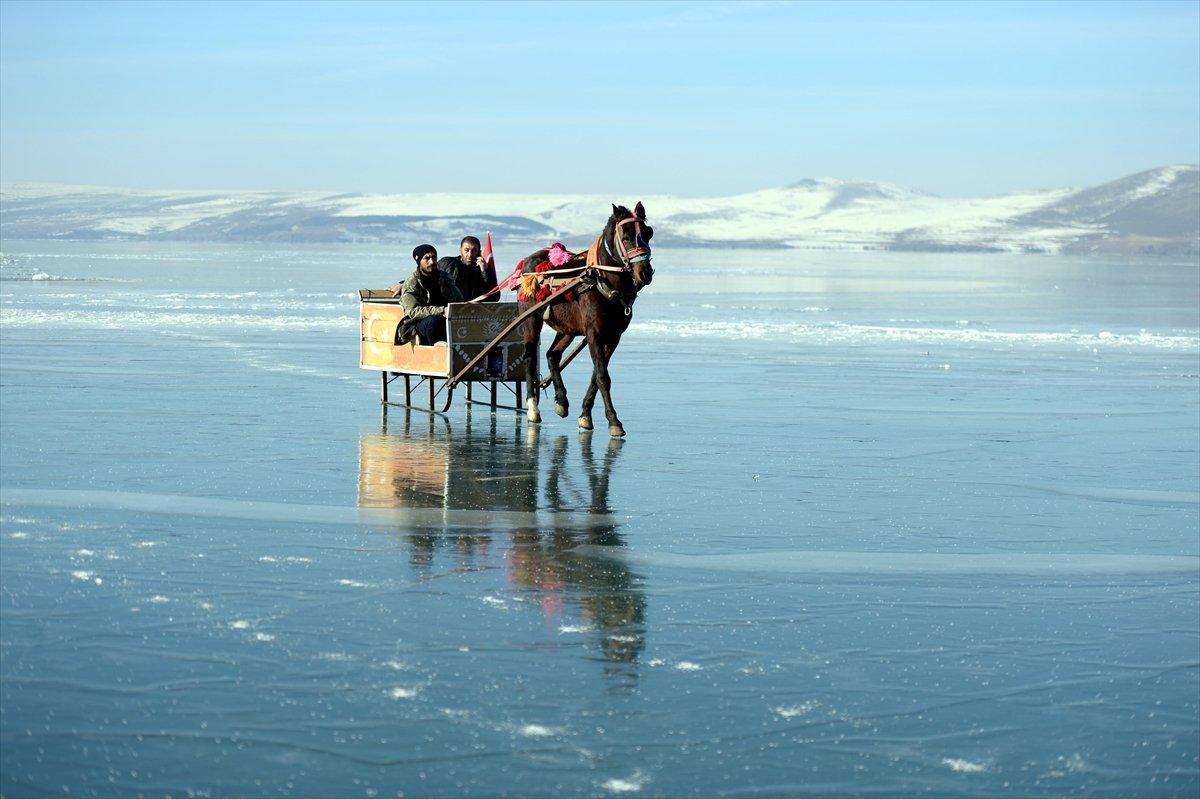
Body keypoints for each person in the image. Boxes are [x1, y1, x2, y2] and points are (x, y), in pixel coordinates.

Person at [392, 244, 464, 345]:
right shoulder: (412, 283)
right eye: (427, 258)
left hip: (445, 318)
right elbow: (413, 311)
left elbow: (459, 300)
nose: (432, 262)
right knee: (433, 320)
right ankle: (434, 350)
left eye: (434, 257)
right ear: (419, 261)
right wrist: (441, 310)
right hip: (419, 324)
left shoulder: (444, 277)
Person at [438, 235, 498, 303]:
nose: (470, 254)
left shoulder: (482, 269)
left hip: (473, 308)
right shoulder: (449, 263)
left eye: (474, 251)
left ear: (479, 252)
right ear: (460, 250)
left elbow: (495, 297)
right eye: (466, 250)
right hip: (448, 307)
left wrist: (485, 272)